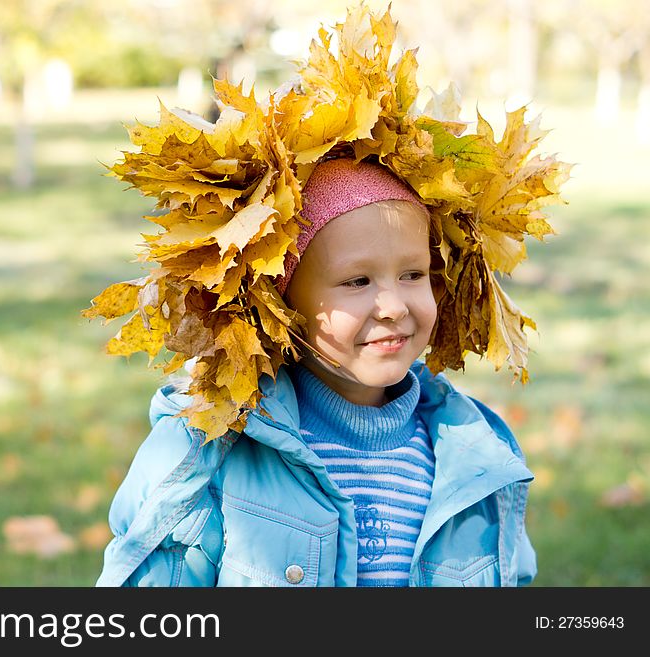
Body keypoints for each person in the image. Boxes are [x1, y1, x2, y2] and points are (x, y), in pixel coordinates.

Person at [85, 4, 568, 587]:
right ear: (280, 302)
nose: (393, 304)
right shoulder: (209, 451)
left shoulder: (475, 457)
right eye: (357, 282)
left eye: (413, 274)